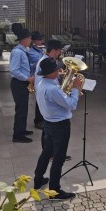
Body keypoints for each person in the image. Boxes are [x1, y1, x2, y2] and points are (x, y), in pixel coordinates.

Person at [33, 58, 83, 199]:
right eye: (56, 70)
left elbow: (59, 99)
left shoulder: (42, 83)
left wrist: (68, 90)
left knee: (46, 153)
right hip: (60, 126)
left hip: (49, 123)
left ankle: (38, 180)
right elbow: (72, 105)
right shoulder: (52, 89)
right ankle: (55, 191)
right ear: (50, 73)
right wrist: (75, 88)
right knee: (59, 158)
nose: (59, 71)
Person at [9, 29, 34, 143]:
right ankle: (18, 135)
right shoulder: (18, 52)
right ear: (24, 39)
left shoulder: (24, 50)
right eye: (29, 38)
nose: (31, 40)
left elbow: (24, 66)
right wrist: (27, 78)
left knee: (24, 108)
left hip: (23, 83)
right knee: (21, 109)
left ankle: (21, 129)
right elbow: (14, 70)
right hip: (19, 83)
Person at [28, 31, 45, 130]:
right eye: (40, 39)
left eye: (42, 39)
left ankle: (43, 119)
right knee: (39, 99)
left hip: (44, 77)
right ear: (34, 41)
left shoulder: (41, 50)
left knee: (44, 99)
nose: (42, 41)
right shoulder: (32, 52)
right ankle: (38, 121)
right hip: (37, 78)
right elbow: (41, 63)